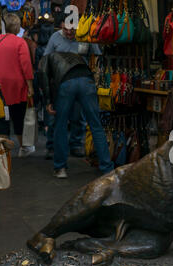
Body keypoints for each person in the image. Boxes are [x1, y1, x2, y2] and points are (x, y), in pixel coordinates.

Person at [38, 51, 114, 178]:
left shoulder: (45, 59)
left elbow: (44, 78)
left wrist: (48, 102)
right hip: (87, 81)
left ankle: (60, 168)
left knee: (60, 125)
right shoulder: (71, 55)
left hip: (67, 83)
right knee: (96, 125)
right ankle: (107, 168)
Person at [42, 17, 101, 160]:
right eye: (65, 29)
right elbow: (46, 60)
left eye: (72, 30)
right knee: (55, 117)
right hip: (59, 83)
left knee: (78, 115)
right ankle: (51, 146)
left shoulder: (84, 36)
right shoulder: (55, 38)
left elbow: (97, 55)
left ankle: (75, 144)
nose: (69, 33)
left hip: (80, 81)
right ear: (61, 25)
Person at [0, 13, 35, 157]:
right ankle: (23, 147)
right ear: (17, 26)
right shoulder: (20, 43)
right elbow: (26, 66)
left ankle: (2, 147)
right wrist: (30, 86)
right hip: (16, 86)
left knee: (1, 116)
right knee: (19, 116)